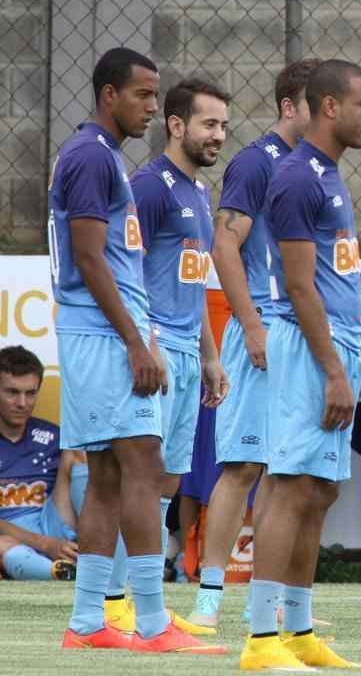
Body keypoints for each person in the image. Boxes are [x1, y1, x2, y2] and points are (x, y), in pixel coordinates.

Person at [51, 47, 223, 654]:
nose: (153, 106)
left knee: (107, 475)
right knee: (143, 467)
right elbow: (91, 257)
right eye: (144, 95)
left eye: (156, 95)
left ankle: (87, 622)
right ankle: (151, 622)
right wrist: (135, 338)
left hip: (103, 333)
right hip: (103, 335)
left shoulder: (102, 160)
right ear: (109, 96)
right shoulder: (93, 158)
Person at [239, 59, 361, 671]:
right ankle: (260, 641)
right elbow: (298, 287)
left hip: (337, 341)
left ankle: (296, 630)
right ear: (329, 107)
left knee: (319, 490)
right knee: (290, 485)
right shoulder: (298, 178)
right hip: (306, 346)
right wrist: (335, 370)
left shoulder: (328, 172)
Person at [95, 78, 231, 635]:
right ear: (176, 126)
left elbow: (194, 283)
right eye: (208, 124)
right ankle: (113, 600)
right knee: (140, 475)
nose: (218, 135)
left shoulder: (199, 192)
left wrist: (211, 354)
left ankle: (131, 594)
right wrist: (146, 341)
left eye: (223, 125)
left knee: (170, 480)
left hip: (184, 348)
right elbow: (125, 269)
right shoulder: (148, 188)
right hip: (153, 350)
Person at [189, 58, 320, 628]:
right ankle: (207, 601)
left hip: (300, 332)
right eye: (322, 104)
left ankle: (269, 607)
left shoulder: (315, 166)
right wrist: (250, 324)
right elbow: (224, 247)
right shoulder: (255, 161)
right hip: (262, 329)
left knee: (288, 473)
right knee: (242, 466)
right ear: (290, 107)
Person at [0, 346, 86, 580]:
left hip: (52, 522)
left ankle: (98, 552)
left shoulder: (51, 436)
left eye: (30, 393)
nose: (22, 403)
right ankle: (61, 573)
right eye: (12, 392)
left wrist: (51, 540)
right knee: (2, 543)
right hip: (10, 535)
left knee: (76, 452)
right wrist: (45, 544)